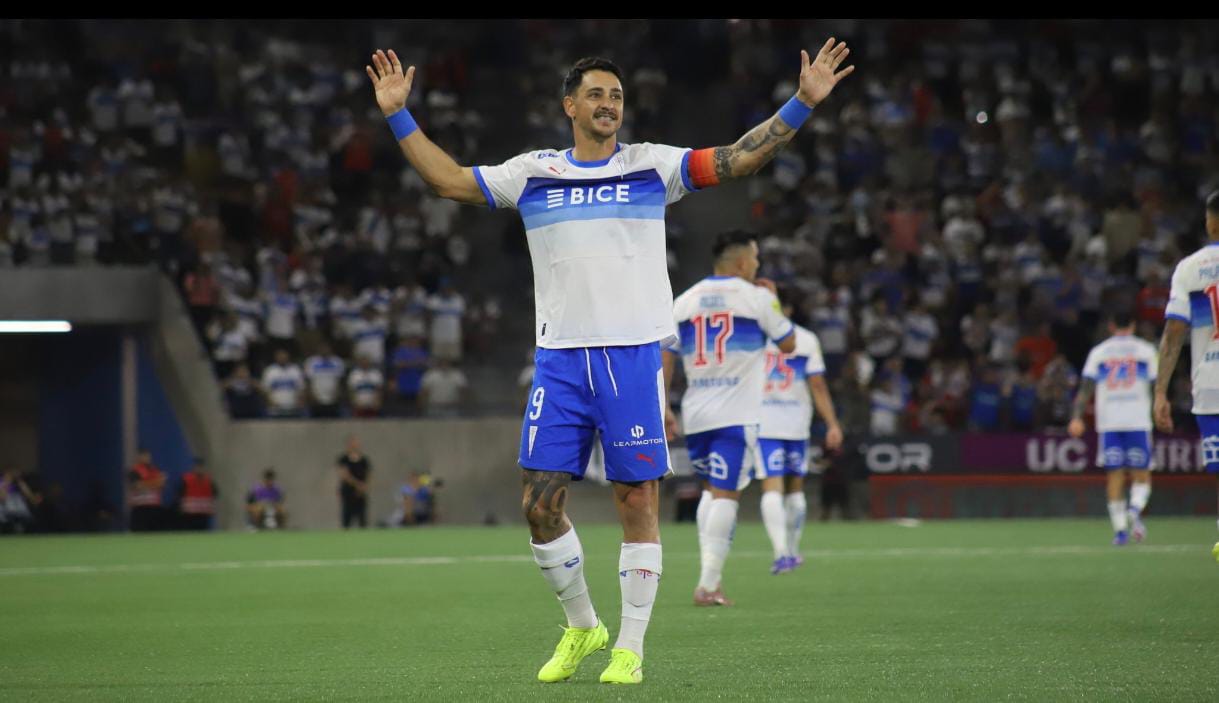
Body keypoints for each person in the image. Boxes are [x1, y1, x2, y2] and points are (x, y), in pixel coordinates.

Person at [367, 38, 853, 684]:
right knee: (539, 505)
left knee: (636, 500)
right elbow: (447, 181)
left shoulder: (652, 166)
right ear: (568, 105)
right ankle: (582, 625)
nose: (608, 104)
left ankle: (630, 646)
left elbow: (737, 159)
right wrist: (397, 113)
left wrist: (801, 103)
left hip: (631, 358)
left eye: (616, 96)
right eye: (595, 94)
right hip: (560, 361)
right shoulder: (534, 173)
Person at [663, 231, 796, 605]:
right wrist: (774, 301)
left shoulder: (685, 301)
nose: (757, 265)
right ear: (741, 262)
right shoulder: (756, 299)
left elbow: (665, 354)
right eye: (755, 258)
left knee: (710, 490)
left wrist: (664, 405)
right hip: (737, 414)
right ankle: (708, 585)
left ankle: (709, 578)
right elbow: (789, 344)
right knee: (726, 494)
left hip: (696, 413)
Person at [1153, 190, 1219, 561]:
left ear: (1210, 223)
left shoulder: (1191, 268)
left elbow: (1174, 332)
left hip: (1211, 386)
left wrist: (1160, 392)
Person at [757, 310, 843, 573]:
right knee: (795, 488)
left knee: (772, 486)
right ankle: (793, 550)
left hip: (763, 422)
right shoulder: (805, 339)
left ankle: (781, 553)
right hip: (796, 424)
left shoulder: (754, 337)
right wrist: (832, 423)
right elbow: (818, 385)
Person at [1069, 312, 1157, 545]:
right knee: (1142, 475)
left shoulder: (1099, 353)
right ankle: (1135, 509)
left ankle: (1120, 531)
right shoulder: (1146, 351)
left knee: (1114, 477)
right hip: (1138, 420)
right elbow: (1157, 385)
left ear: (1111, 325)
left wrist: (1076, 417)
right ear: (1133, 325)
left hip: (1109, 422)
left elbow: (1085, 389)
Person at [304, 341, 346, 418]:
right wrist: (311, 395)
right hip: (316, 398)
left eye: (326, 348)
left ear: (330, 349)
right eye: (322, 348)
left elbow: (340, 381)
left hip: (333, 398)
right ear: (318, 349)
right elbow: (308, 381)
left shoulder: (337, 362)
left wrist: (338, 394)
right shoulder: (311, 362)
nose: (324, 350)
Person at [337, 435, 371, 528]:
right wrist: (358, 484)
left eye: (356, 444)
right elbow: (344, 475)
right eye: (352, 444)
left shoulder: (364, 460)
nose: (354, 446)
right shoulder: (343, 459)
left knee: (362, 519)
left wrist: (364, 486)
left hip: (360, 494)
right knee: (347, 519)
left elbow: (368, 474)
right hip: (348, 493)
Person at [127, 449, 165, 531]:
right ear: (139, 457)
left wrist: (146, 484)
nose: (146, 458)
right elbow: (137, 486)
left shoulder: (156, 470)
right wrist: (155, 483)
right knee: (139, 532)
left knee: (155, 533)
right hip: (140, 508)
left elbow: (161, 485)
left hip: (154, 508)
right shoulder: (134, 471)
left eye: (148, 456)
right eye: (144, 456)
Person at [176, 458, 218, 531]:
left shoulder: (208, 479)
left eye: (201, 467)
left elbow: (215, 492)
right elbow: (180, 492)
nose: (199, 469)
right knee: (190, 530)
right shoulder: (187, 478)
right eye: (198, 467)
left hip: (203, 512)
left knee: (202, 531)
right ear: (194, 467)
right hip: (190, 512)